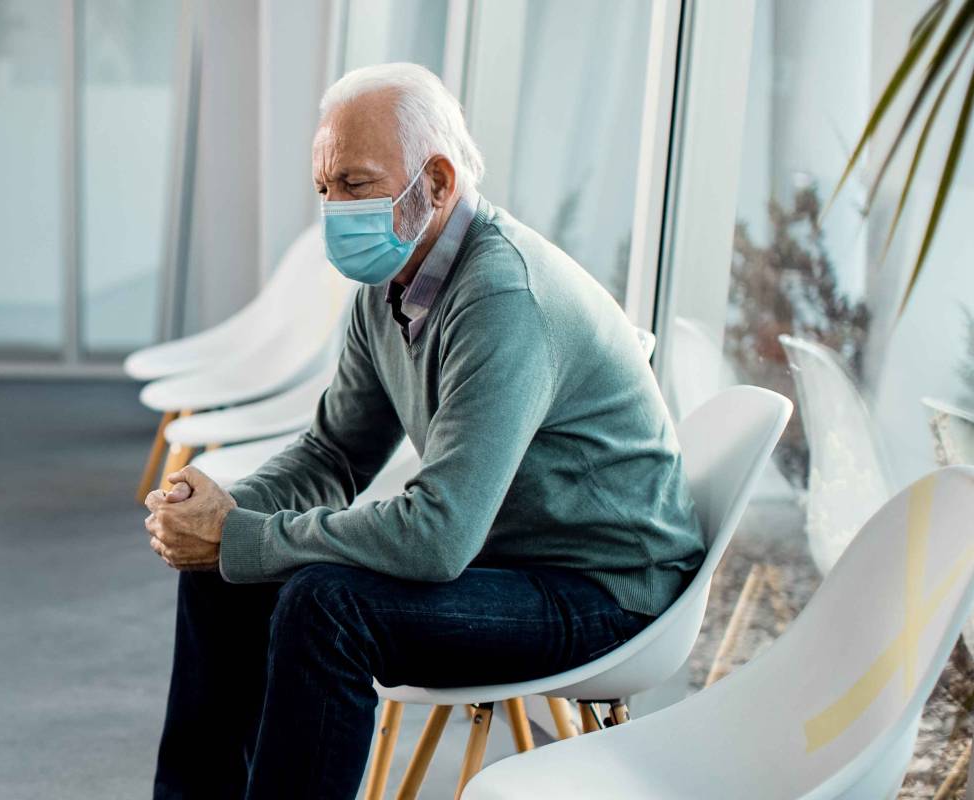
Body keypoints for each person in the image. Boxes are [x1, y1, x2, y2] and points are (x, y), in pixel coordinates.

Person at [142, 63, 703, 799]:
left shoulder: (504, 297)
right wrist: (219, 512)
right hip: (509, 559)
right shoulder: (390, 283)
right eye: (325, 188)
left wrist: (241, 533)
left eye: (356, 183)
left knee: (325, 606)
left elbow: (438, 537)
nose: (334, 209)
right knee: (225, 569)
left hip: (603, 590)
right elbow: (335, 450)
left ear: (436, 183)